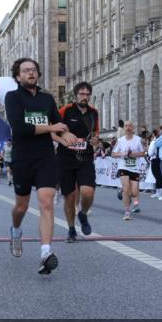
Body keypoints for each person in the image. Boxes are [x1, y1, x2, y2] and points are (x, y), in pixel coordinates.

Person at [4, 58, 77, 271]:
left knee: (46, 201)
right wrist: (53, 127)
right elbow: (20, 128)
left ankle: (46, 252)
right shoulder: (13, 97)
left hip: (45, 157)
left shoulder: (47, 99)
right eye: (26, 70)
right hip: (23, 158)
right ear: (18, 76)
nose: (31, 73)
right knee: (21, 206)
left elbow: (58, 124)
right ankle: (16, 231)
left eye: (34, 70)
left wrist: (66, 135)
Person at [58, 82, 99, 242]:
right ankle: (71, 229)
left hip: (85, 157)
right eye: (82, 94)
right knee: (69, 196)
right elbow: (54, 130)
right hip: (66, 158)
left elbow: (95, 134)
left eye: (88, 94)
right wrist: (64, 138)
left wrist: (95, 141)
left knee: (88, 192)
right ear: (76, 95)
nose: (85, 97)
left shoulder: (94, 113)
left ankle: (82, 214)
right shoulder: (65, 110)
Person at [112, 120, 146, 221]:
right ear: (124, 128)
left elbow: (143, 153)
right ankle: (127, 212)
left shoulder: (138, 140)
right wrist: (123, 154)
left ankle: (121, 190)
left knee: (134, 193)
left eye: (130, 126)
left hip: (135, 168)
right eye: (126, 126)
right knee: (127, 190)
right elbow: (113, 154)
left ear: (133, 128)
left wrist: (133, 154)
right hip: (123, 167)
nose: (128, 128)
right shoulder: (120, 140)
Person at [148, 128, 162, 198]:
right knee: (159, 175)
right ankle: (158, 191)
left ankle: (159, 191)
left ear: (153, 134)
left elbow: (150, 152)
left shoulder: (154, 141)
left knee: (157, 175)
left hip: (155, 158)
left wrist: (148, 154)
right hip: (161, 158)